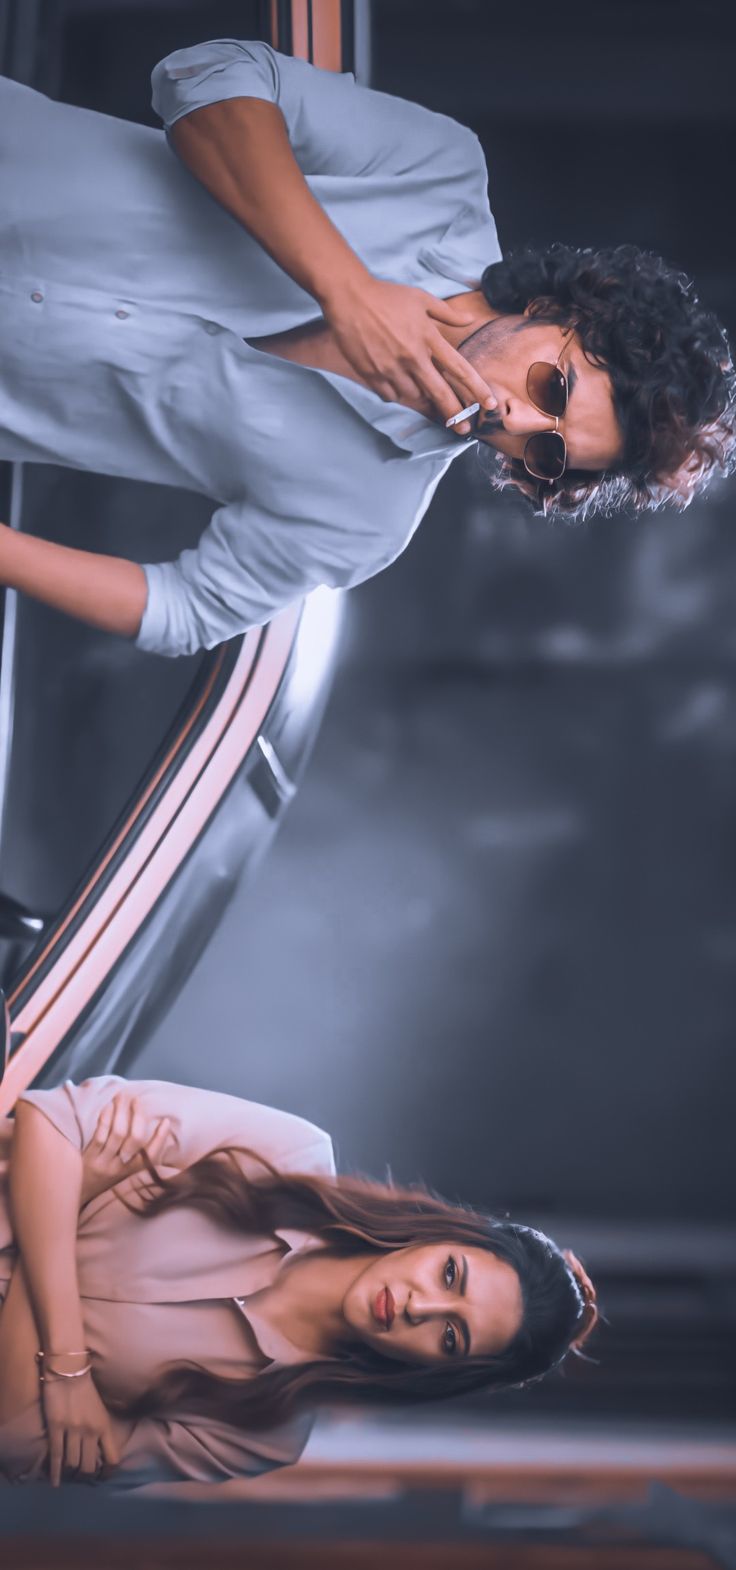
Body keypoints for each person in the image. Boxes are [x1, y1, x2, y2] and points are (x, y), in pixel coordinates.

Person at [0, 40, 732, 658]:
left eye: (546, 451)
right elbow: (204, 75)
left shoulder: (370, 515)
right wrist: (344, 288)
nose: (513, 419)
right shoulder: (439, 179)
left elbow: (185, 613)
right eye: (555, 390)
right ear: (559, 309)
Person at [0, 1075, 598, 1491]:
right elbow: (51, 1119)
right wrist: (66, 1369)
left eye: (450, 1337)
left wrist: (68, 1198)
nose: (421, 1307)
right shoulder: (285, 1151)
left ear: (438, 1371)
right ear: (444, 1236)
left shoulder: (265, 1434)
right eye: (450, 1274)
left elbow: (19, 1446)